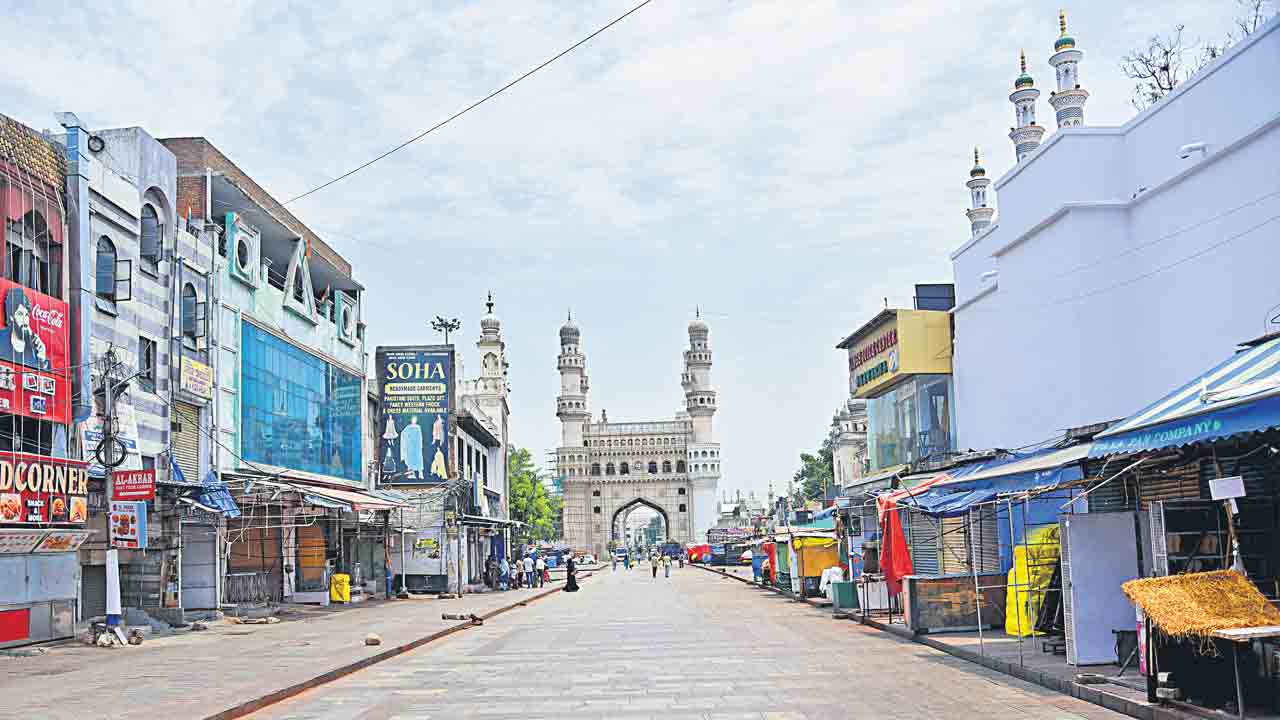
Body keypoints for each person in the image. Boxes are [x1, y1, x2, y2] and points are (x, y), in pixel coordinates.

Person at [0, 287, 49, 370]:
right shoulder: (1, 338)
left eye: (26, 315)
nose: (24, 320)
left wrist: (42, 360)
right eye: (20, 314)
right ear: (11, 317)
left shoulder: (35, 347)